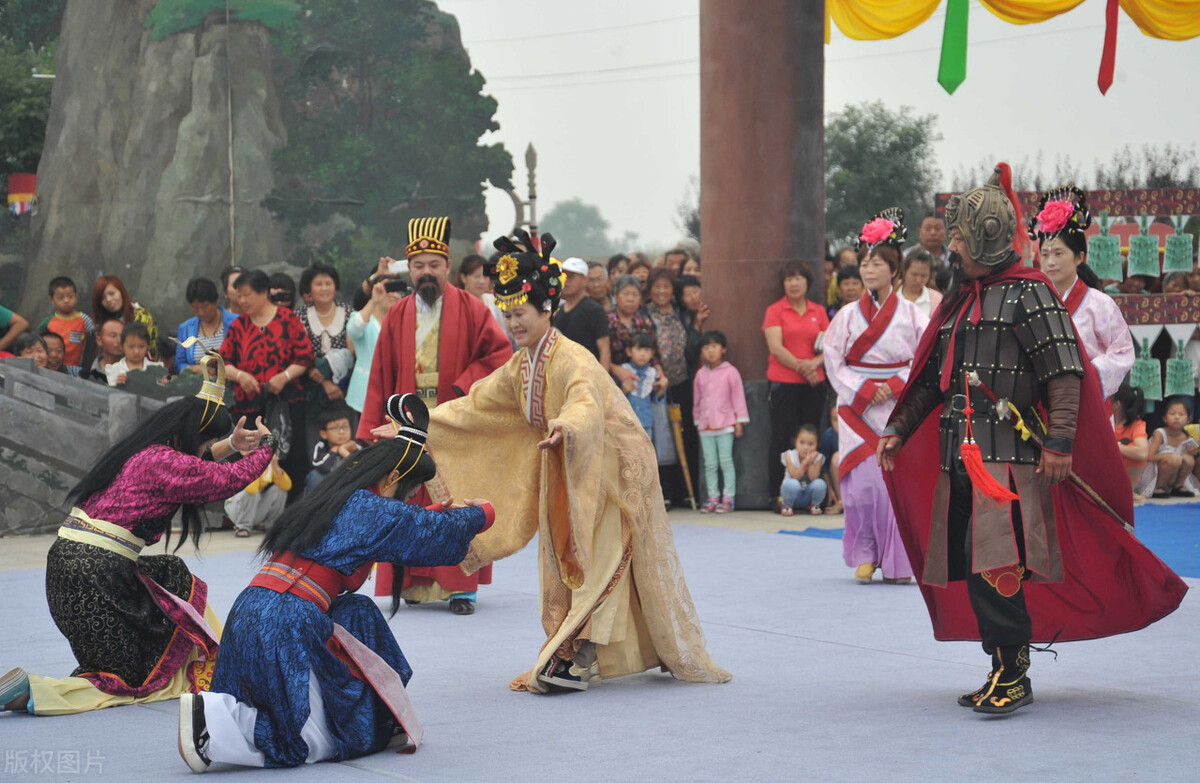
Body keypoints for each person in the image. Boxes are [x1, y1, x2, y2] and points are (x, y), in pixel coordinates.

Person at [878, 164, 1187, 715]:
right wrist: (899, 426)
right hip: (960, 455)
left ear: (986, 238)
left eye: (960, 235)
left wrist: (1060, 445)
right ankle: (999, 665)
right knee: (974, 567)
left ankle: (1015, 673)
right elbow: (932, 378)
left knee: (998, 565)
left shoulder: (1030, 296)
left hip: (1009, 462)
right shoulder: (960, 298)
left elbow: (1066, 377)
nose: (951, 244)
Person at [393, 229, 730, 693]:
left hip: (610, 465)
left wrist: (567, 428)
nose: (513, 323)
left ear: (545, 310)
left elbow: (584, 404)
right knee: (567, 560)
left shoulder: (572, 357)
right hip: (566, 464)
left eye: (522, 314)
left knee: (598, 561)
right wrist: (416, 424)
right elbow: (475, 405)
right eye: (508, 314)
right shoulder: (521, 364)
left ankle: (580, 655)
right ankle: (606, 647)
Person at [179, 394, 494, 771]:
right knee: (306, 740)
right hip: (288, 622)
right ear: (393, 477)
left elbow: (388, 529)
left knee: (358, 614)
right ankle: (215, 724)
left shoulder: (334, 497)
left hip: (252, 610)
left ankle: (222, 715)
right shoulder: (371, 509)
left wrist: (420, 517)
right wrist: (482, 513)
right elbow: (425, 532)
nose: (407, 502)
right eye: (408, 494)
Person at [0, 357, 275, 716]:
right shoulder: (166, 463)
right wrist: (268, 445)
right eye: (205, 441)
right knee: (125, 682)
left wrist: (231, 445)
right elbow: (221, 478)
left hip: (69, 568)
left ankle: (216, 663)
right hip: (95, 574)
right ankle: (32, 690)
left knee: (170, 574)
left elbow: (198, 463)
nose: (207, 449)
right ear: (190, 436)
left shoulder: (143, 453)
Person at [356, 217, 512, 615]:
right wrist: (373, 428)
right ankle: (415, 584)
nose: (426, 273)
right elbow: (380, 376)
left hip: (454, 420)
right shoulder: (396, 315)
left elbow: (499, 357)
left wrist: (462, 388)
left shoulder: (473, 309)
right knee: (409, 501)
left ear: (447, 265)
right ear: (409, 270)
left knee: (454, 498)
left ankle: (462, 588)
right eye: (418, 266)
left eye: (433, 265)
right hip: (408, 423)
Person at [825, 208, 927, 584]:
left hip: (898, 406)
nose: (869, 270)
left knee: (893, 485)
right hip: (857, 406)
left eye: (877, 264)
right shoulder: (848, 315)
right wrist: (865, 389)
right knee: (861, 487)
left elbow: (926, 355)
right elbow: (833, 359)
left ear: (894, 269)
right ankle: (866, 554)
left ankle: (898, 561)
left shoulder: (913, 315)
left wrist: (897, 385)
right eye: (865, 263)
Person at [1029, 185, 1134, 401]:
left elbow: (1122, 350)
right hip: (1043, 401)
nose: (1050, 262)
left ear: (1080, 257)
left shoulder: (1100, 304)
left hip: (1090, 398)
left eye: (1058, 253)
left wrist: (1089, 375)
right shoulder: (1033, 302)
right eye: (1045, 254)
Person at [220, 270, 316, 503]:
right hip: (251, 407)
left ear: (264, 293)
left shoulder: (287, 319)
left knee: (292, 456)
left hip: (287, 403)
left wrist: (284, 376)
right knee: (253, 457)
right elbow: (222, 362)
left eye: (246, 295)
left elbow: (305, 358)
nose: (241, 301)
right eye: (238, 295)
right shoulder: (239, 325)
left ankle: (290, 511)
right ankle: (254, 512)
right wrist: (241, 375)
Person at [762, 262, 829, 502]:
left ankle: (811, 495)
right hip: (784, 384)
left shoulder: (818, 311)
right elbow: (776, 348)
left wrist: (816, 364)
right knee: (782, 437)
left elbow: (829, 346)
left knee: (811, 438)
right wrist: (805, 366)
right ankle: (777, 496)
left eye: (799, 278)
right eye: (789, 279)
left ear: (807, 283)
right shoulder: (775, 310)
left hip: (813, 385)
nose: (793, 283)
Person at [692, 331, 748, 514]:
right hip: (706, 426)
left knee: (726, 461)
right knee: (710, 463)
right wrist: (697, 420)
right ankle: (712, 497)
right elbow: (697, 400)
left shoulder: (731, 372)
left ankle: (728, 498)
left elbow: (738, 397)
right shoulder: (700, 374)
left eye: (714, 346)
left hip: (725, 424)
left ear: (723, 349)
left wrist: (739, 421)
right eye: (706, 347)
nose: (710, 351)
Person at [295, 264, 356, 405]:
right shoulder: (299, 316)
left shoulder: (349, 313)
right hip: (308, 390)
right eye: (318, 284)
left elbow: (352, 352)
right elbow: (300, 354)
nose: (324, 288)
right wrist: (324, 382)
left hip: (344, 389)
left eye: (328, 283)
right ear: (309, 288)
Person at [607, 275, 667, 398]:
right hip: (614, 380)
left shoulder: (646, 321)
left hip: (643, 380)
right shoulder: (605, 320)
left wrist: (660, 373)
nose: (630, 299)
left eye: (635, 295)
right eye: (626, 293)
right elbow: (598, 355)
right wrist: (617, 370)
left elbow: (654, 353)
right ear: (616, 296)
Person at [1135, 397, 1199, 498]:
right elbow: (1149, 457)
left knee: (1189, 460)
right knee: (1175, 459)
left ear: (1188, 419)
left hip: (1174, 471)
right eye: (1172, 414)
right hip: (1154, 470)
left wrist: (1191, 452)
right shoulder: (1160, 433)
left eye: (1181, 414)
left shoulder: (1186, 436)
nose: (1177, 417)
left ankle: (1177, 486)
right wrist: (1169, 455)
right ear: (1165, 418)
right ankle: (1158, 487)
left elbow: (1188, 458)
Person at [177, 278, 240, 374]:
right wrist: (194, 369)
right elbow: (179, 363)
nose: (201, 312)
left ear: (216, 301)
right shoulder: (185, 328)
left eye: (205, 307)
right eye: (196, 308)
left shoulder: (236, 322)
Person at [555, 257, 611, 365]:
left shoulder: (594, 310)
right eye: (563, 276)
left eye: (571, 276)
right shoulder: (559, 311)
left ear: (585, 279)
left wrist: (602, 380)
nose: (566, 281)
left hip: (589, 374)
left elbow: (605, 350)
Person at [91, 275, 160, 360]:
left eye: (112, 294)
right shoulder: (102, 321)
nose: (108, 299)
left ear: (121, 292)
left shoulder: (141, 317)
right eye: (102, 298)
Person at [38, 276, 94, 376]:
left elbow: (97, 338)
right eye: (60, 297)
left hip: (74, 371)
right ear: (52, 299)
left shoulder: (84, 320)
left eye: (70, 296)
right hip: (49, 368)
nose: (66, 300)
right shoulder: (48, 321)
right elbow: (35, 340)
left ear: (76, 296)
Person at [308, 407, 361, 491]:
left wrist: (344, 451)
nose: (342, 432)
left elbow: (360, 469)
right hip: (327, 487)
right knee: (315, 476)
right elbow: (322, 468)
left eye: (345, 427)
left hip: (348, 486)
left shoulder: (354, 446)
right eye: (335, 428)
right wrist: (333, 451)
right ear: (323, 434)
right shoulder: (320, 446)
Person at [780, 424, 827, 516]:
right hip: (791, 494)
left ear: (817, 445)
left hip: (807, 496)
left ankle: (814, 505)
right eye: (802, 442)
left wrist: (811, 462)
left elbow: (814, 477)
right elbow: (794, 476)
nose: (806, 447)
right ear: (795, 442)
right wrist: (804, 463)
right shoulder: (789, 455)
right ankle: (787, 506)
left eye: (811, 444)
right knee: (792, 484)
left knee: (820, 484)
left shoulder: (818, 457)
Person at [1111, 381, 1149, 494]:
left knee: (1132, 448)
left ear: (1117, 404)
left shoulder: (1136, 424)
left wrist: (1113, 447)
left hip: (1129, 479)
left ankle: (1128, 491)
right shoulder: (1105, 421)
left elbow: (1142, 453)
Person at [622, 332, 660, 437]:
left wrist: (661, 389)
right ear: (629, 352)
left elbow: (656, 398)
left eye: (647, 350)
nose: (642, 354)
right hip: (625, 423)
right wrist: (623, 390)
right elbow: (612, 397)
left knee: (646, 451)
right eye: (638, 349)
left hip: (646, 422)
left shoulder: (653, 374)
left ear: (652, 354)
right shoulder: (623, 371)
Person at [105, 321, 164, 387]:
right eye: (131, 346)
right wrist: (117, 385)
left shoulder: (156, 369)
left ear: (147, 346)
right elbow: (108, 394)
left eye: (141, 346)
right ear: (122, 346)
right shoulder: (113, 370)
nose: (136, 351)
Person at [456, 253, 506, 329]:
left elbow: (502, 330)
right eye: (476, 276)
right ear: (463, 278)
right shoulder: (456, 302)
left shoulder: (493, 301)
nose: (482, 281)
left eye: (485, 277)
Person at [898, 250, 943, 318]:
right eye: (914, 274)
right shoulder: (892, 294)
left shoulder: (937, 300)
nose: (918, 280)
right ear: (904, 271)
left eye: (923, 276)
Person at [83, 318, 126, 384]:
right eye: (113, 335)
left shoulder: (135, 373)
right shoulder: (86, 374)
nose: (119, 340)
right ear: (99, 340)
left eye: (122, 336)